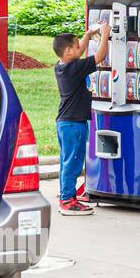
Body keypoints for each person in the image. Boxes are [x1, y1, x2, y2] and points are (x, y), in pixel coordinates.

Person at [52, 23, 108, 216]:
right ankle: (67, 201)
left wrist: (88, 34)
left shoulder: (62, 66)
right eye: (76, 46)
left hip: (65, 123)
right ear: (68, 51)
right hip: (74, 124)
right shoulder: (75, 68)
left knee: (66, 161)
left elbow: (79, 50)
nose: (80, 48)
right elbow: (99, 57)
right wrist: (106, 35)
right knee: (73, 163)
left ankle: (67, 196)